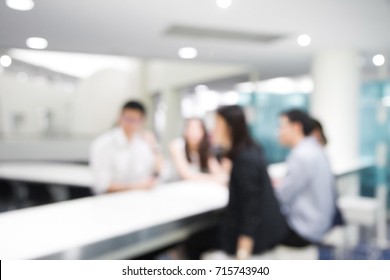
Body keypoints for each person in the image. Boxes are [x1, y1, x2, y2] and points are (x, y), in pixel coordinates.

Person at [186, 105, 288, 259]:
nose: (213, 130)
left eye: (217, 124)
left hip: (257, 236)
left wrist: (243, 250)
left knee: (193, 242)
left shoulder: (244, 159)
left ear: (229, 127)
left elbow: (250, 207)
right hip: (268, 227)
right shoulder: (249, 149)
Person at [274, 109, 336, 246]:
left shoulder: (301, 155)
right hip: (320, 224)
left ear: (296, 127)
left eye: (282, 127)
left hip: (304, 229)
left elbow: (282, 197)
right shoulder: (315, 149)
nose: (279, 132)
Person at [89, 100, 163, 194]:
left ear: (142, 121)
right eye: (128, 119)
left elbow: (158, 173)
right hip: (110, 202)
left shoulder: (143, 143)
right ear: (119, 118)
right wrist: (138, 187)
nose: (131, 124)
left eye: (136, 120)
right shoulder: (103, 144)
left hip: (140, 200)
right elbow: (102, 185)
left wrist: (154, 145)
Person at [169, 118, 228, 184]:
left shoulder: (206, 149)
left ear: (203, 132)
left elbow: (218, 172)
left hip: (195, 187)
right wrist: (215, 179)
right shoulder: (177, 145)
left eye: (196, 129)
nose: (192, 132)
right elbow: (186, 175)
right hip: (175, 186)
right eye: (189, 128)